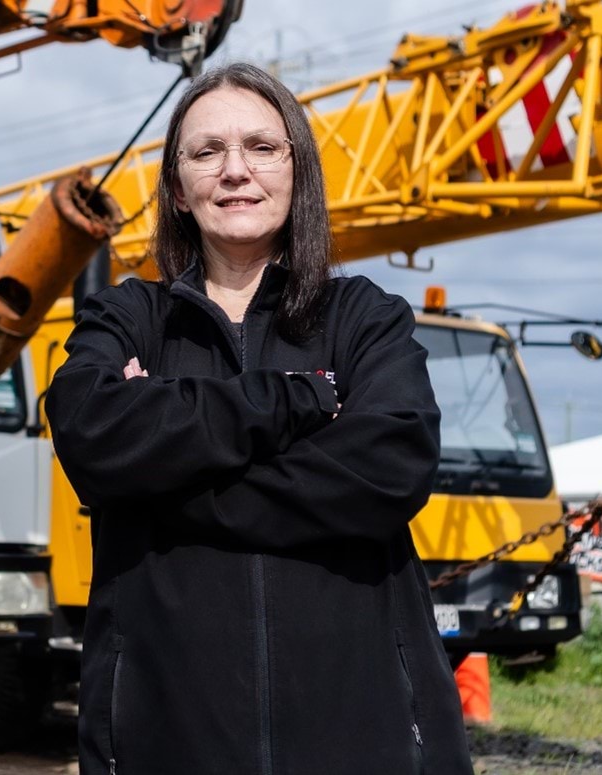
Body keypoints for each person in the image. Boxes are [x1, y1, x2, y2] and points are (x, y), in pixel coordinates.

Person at [45, 63, 473, 774]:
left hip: (362, 741)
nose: (235, 170)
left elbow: (390, 467)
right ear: (176, 188)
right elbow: (90, 432)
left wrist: (160, 481)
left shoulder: (364, 317)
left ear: (298, 171)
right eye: (207, 151)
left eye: (261, 147)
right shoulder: (128, 316)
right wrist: (293, 399)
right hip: (164, 744)